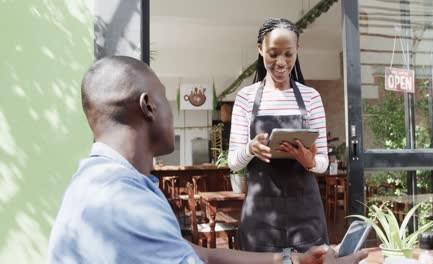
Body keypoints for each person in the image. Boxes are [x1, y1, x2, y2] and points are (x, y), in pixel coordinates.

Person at [47, 56, 367, 264]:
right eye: (165, 98)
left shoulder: (105, 181)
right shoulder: (123, 201)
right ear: (148, 106)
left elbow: (198, 254)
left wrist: (292, 260)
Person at [228, 18, 330, 252]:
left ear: (297, 51)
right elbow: (233, 162)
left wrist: (310, 161)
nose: (281, 62)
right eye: (273, 54)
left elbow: (324, 162)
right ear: (260, 49)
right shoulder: (245, 98)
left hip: (306, 212)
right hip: (260, 214)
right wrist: (250, 149)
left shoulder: (312, 97)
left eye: (288, 54)